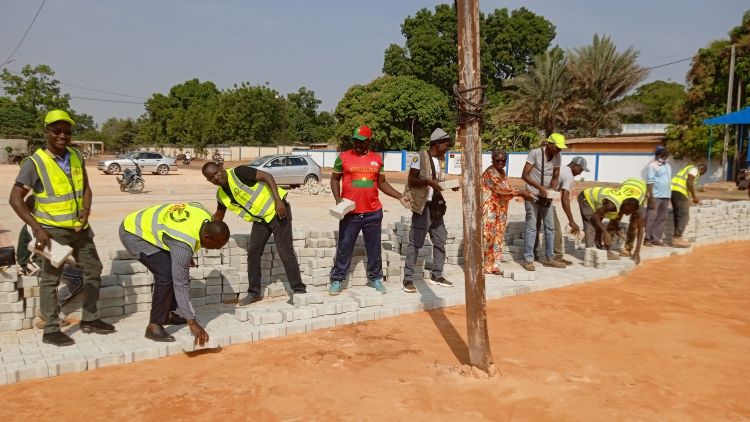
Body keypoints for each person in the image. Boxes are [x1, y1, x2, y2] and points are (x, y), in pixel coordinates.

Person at [9, 109, 115, 347]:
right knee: (50, 279)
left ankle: (90, 319)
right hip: (52, 231)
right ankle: (51, 329)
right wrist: (37, 229)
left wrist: (86, 209)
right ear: (46, 131)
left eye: (67, 132)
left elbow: (85, 187)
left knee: (93, 269)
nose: (62, 136)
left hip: (79, 229)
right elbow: (15, 199)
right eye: (56, 131)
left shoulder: (75, 155)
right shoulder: (35, 162)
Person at [119, 202, 229, 345]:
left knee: (172, 269)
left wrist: (185, 254)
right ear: (207, 237)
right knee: (165, 275)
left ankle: (166, 314)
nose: (217, 249)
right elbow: (180, 283)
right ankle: (154, 326)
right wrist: (192, 322)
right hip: (133, 233)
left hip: (149, 225)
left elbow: (188, 215)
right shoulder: (182, 243)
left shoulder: (205, 215)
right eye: (217, 245)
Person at [201, 161, 307, 306]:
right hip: (261, 220)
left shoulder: (239, 172)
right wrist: (205, 235)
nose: (216, 178)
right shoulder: (221, 195)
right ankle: (254, 293)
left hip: (278, 211)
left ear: (221, 168)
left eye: (216, 173)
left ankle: (299, 290)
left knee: (285, 251)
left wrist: (278, 201)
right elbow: (218, 217)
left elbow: (267, 176)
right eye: (211, 177)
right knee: (253, 254)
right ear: (209, 180)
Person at [329, 125, 410, 295]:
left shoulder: (377, 159)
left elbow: (382, 183)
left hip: (373, 212)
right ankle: (337, 279)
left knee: (374, 248)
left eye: (361, 141)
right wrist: (338, 199)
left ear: (368, 141)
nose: (357, 144)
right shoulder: (343, 157)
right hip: (350, 212)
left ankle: (375, 278)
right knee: (344, 246)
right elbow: (334, 179)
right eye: (355, 141)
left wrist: (399, 196)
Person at [401, 128, 458, 293]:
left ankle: (437, 275)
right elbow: (411, 180)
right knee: (415, 243)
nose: (447, 148)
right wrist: (428, 182)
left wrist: (449, 186)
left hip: (436, 206)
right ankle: (408, 279)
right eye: (446, 145)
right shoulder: (420, 156)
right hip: (423, 207)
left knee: (440, 241)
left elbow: (437, 182)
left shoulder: (440, 160)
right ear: (437, 143)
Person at [520, 133, 567, 271]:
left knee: (550, 227)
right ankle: (528, 259)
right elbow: (524, 175)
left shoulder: (558, 156)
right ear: (549, 144)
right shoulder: (535, 153)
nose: (559, 150)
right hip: (532, 195)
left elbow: (556, 176)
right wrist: (540, 188)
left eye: (561, 148)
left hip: (546, 197)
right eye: (557, 147)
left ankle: (550, 258)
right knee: (532, 227)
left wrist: (552, 190)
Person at [481, 150, 532, 275]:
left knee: (498, 237)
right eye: (498, 160)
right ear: (492, 160)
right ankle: (484, 265)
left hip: (501, 210)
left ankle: (494, 265)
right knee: (488, 236)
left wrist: (520, 193)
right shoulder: (490, 173)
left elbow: (507, 188)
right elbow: (501, 189)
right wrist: (520, 192)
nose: (500, 162)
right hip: (490, 210)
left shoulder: (502, 172)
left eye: (503, 160)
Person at [545, 156, 589, 264]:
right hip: (545, 200)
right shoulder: (569, 175)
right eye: (580, 170)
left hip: (540, 197)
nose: (580, 173)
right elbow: (564, 198)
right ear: (575, 165)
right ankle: (557, 256)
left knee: (535, 228)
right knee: (556, 229)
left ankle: (534, 255)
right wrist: (571, 221)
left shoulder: (562, 168)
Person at [578, 187, 641, 258]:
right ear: (627, 206)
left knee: (599, 225)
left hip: (597, 204)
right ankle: (590, 255)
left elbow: (606, 220)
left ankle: (600, 251)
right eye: (629, 211)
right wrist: (606, 232)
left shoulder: (622, 207)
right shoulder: (612, 205)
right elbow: (595, 216)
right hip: (586, 197)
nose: (627, 214)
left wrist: (617, 230)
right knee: (591, 226)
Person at [670, 163, 707, 247]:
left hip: (673, 191)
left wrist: (688, 200)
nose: (700, 176)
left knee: (678, 215)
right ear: (702, 170)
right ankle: (677, 238)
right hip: (680, 193)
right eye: (701, 174)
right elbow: (689, 181)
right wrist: (694, 197)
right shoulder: (694, 170)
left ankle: (677, 237)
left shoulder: (687, 168)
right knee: (684, 216)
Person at [612, 177, 647, 264]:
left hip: (641, 188)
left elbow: (640, 232)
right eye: (625, 212)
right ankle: (607, 243)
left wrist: (637, 252)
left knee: (633, 225)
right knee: (615, 217)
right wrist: (615, 227)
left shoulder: (639, 209)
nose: (627, 215)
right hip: (627, 184)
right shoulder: (619, 200)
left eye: (629, 212)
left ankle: (628, 248)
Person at [644, 146, 672, 246]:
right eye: (662, 155)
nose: (664, 157)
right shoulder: (653, 166)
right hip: (655, 196)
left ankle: (655, 239)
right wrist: (651, 196)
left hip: (666, 196)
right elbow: (649, 182)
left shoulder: (668, 165)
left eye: (666, 155)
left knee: (662, 218)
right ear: (657, 155)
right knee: (651, 217)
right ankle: (647, 239)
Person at [16, 195, 38, 276]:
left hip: (37, 259)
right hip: (29, 264)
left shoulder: (38, 222)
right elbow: (41, 250)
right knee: (71, 276)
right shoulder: (31, 227)